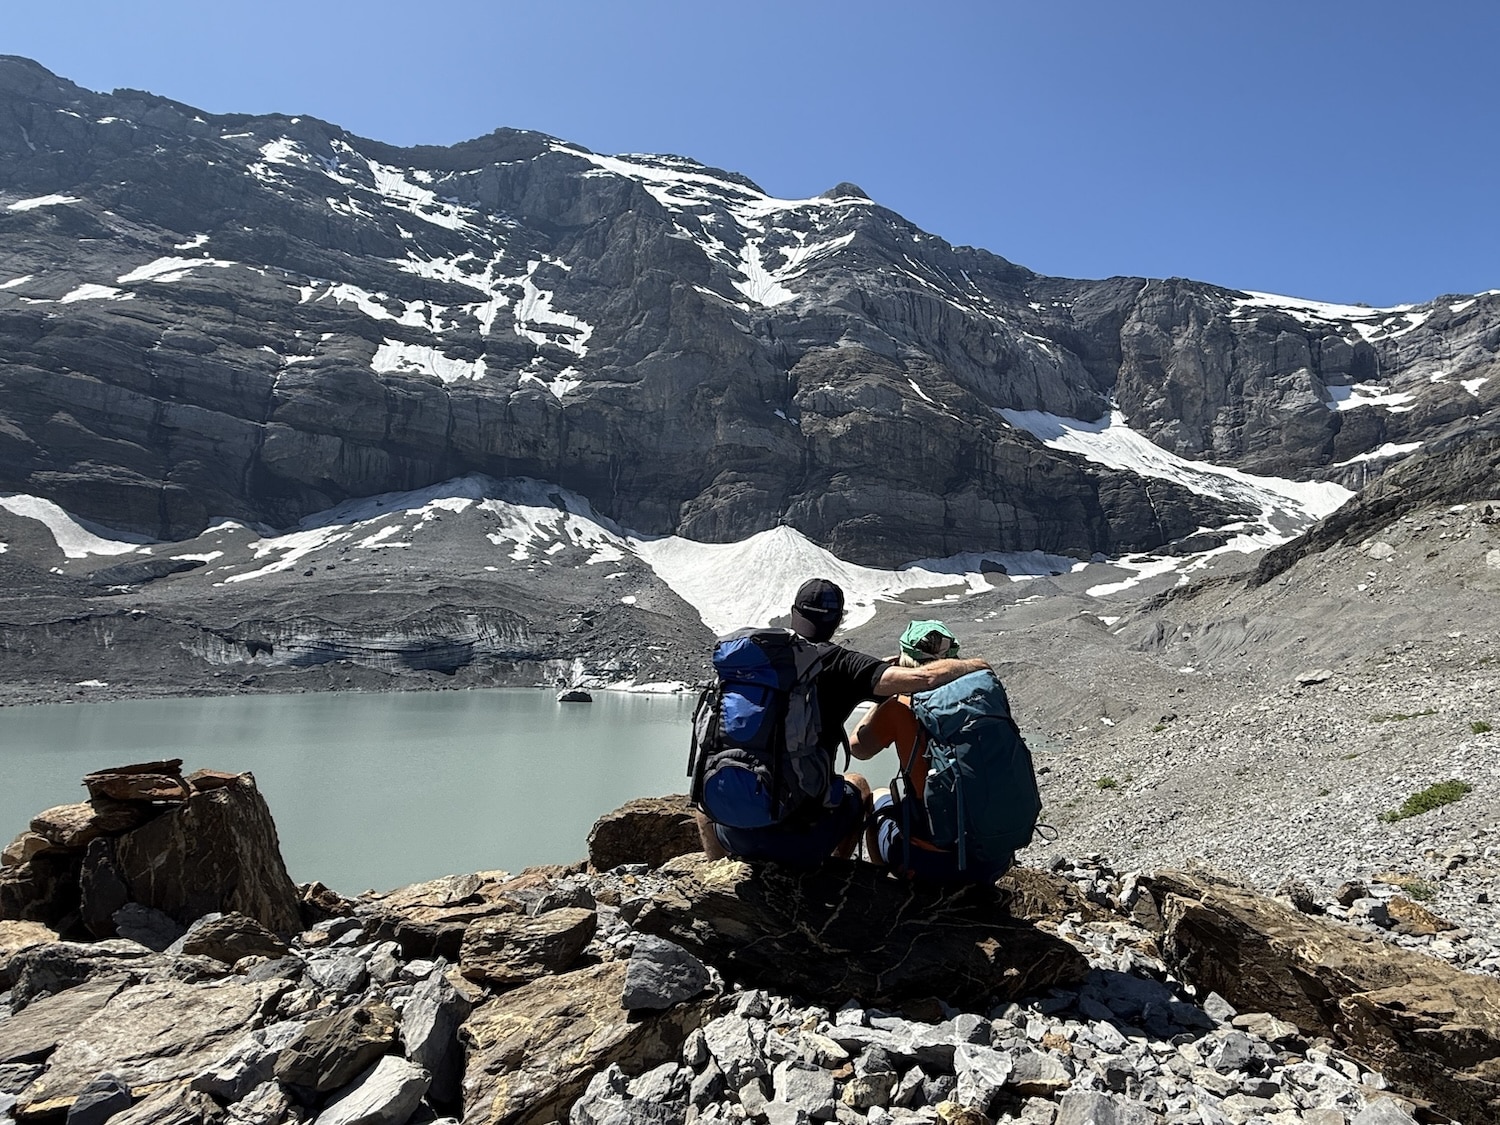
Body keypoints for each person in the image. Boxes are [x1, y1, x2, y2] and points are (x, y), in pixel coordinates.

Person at [697, 582, 990, 866]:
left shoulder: (752, 663)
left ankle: (717, 871)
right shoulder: (843, 663)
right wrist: (971, 665)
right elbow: (923, 680)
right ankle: (833, 869)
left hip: (730, 832)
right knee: (857, 784)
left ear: (793, 612)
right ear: (838, 620)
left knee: (703, 799)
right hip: (797, 844)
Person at [850, 620, 1011, 883]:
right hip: (993, 860)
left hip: (931, 867)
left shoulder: (900, 705)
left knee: (877, 796)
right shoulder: (986, 696)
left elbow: (858, 748)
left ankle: (889, 885)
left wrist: (884, 692)